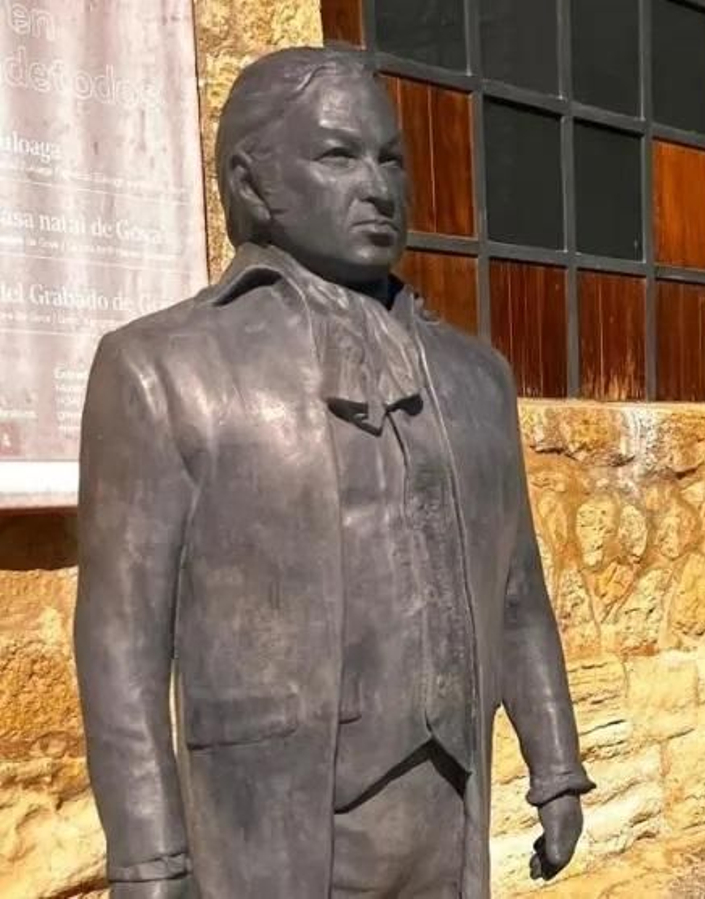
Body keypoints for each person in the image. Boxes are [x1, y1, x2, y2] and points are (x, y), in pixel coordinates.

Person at [73, 47, 593, 898]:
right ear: (252, 183)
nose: (379, 185)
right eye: (339, 155)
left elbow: (515, 592)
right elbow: (121, 643)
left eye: (390, 157)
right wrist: (147, 857)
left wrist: (557, 764)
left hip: (443, 812)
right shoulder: (161, 368)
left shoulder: (474, 376)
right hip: (270, 821)